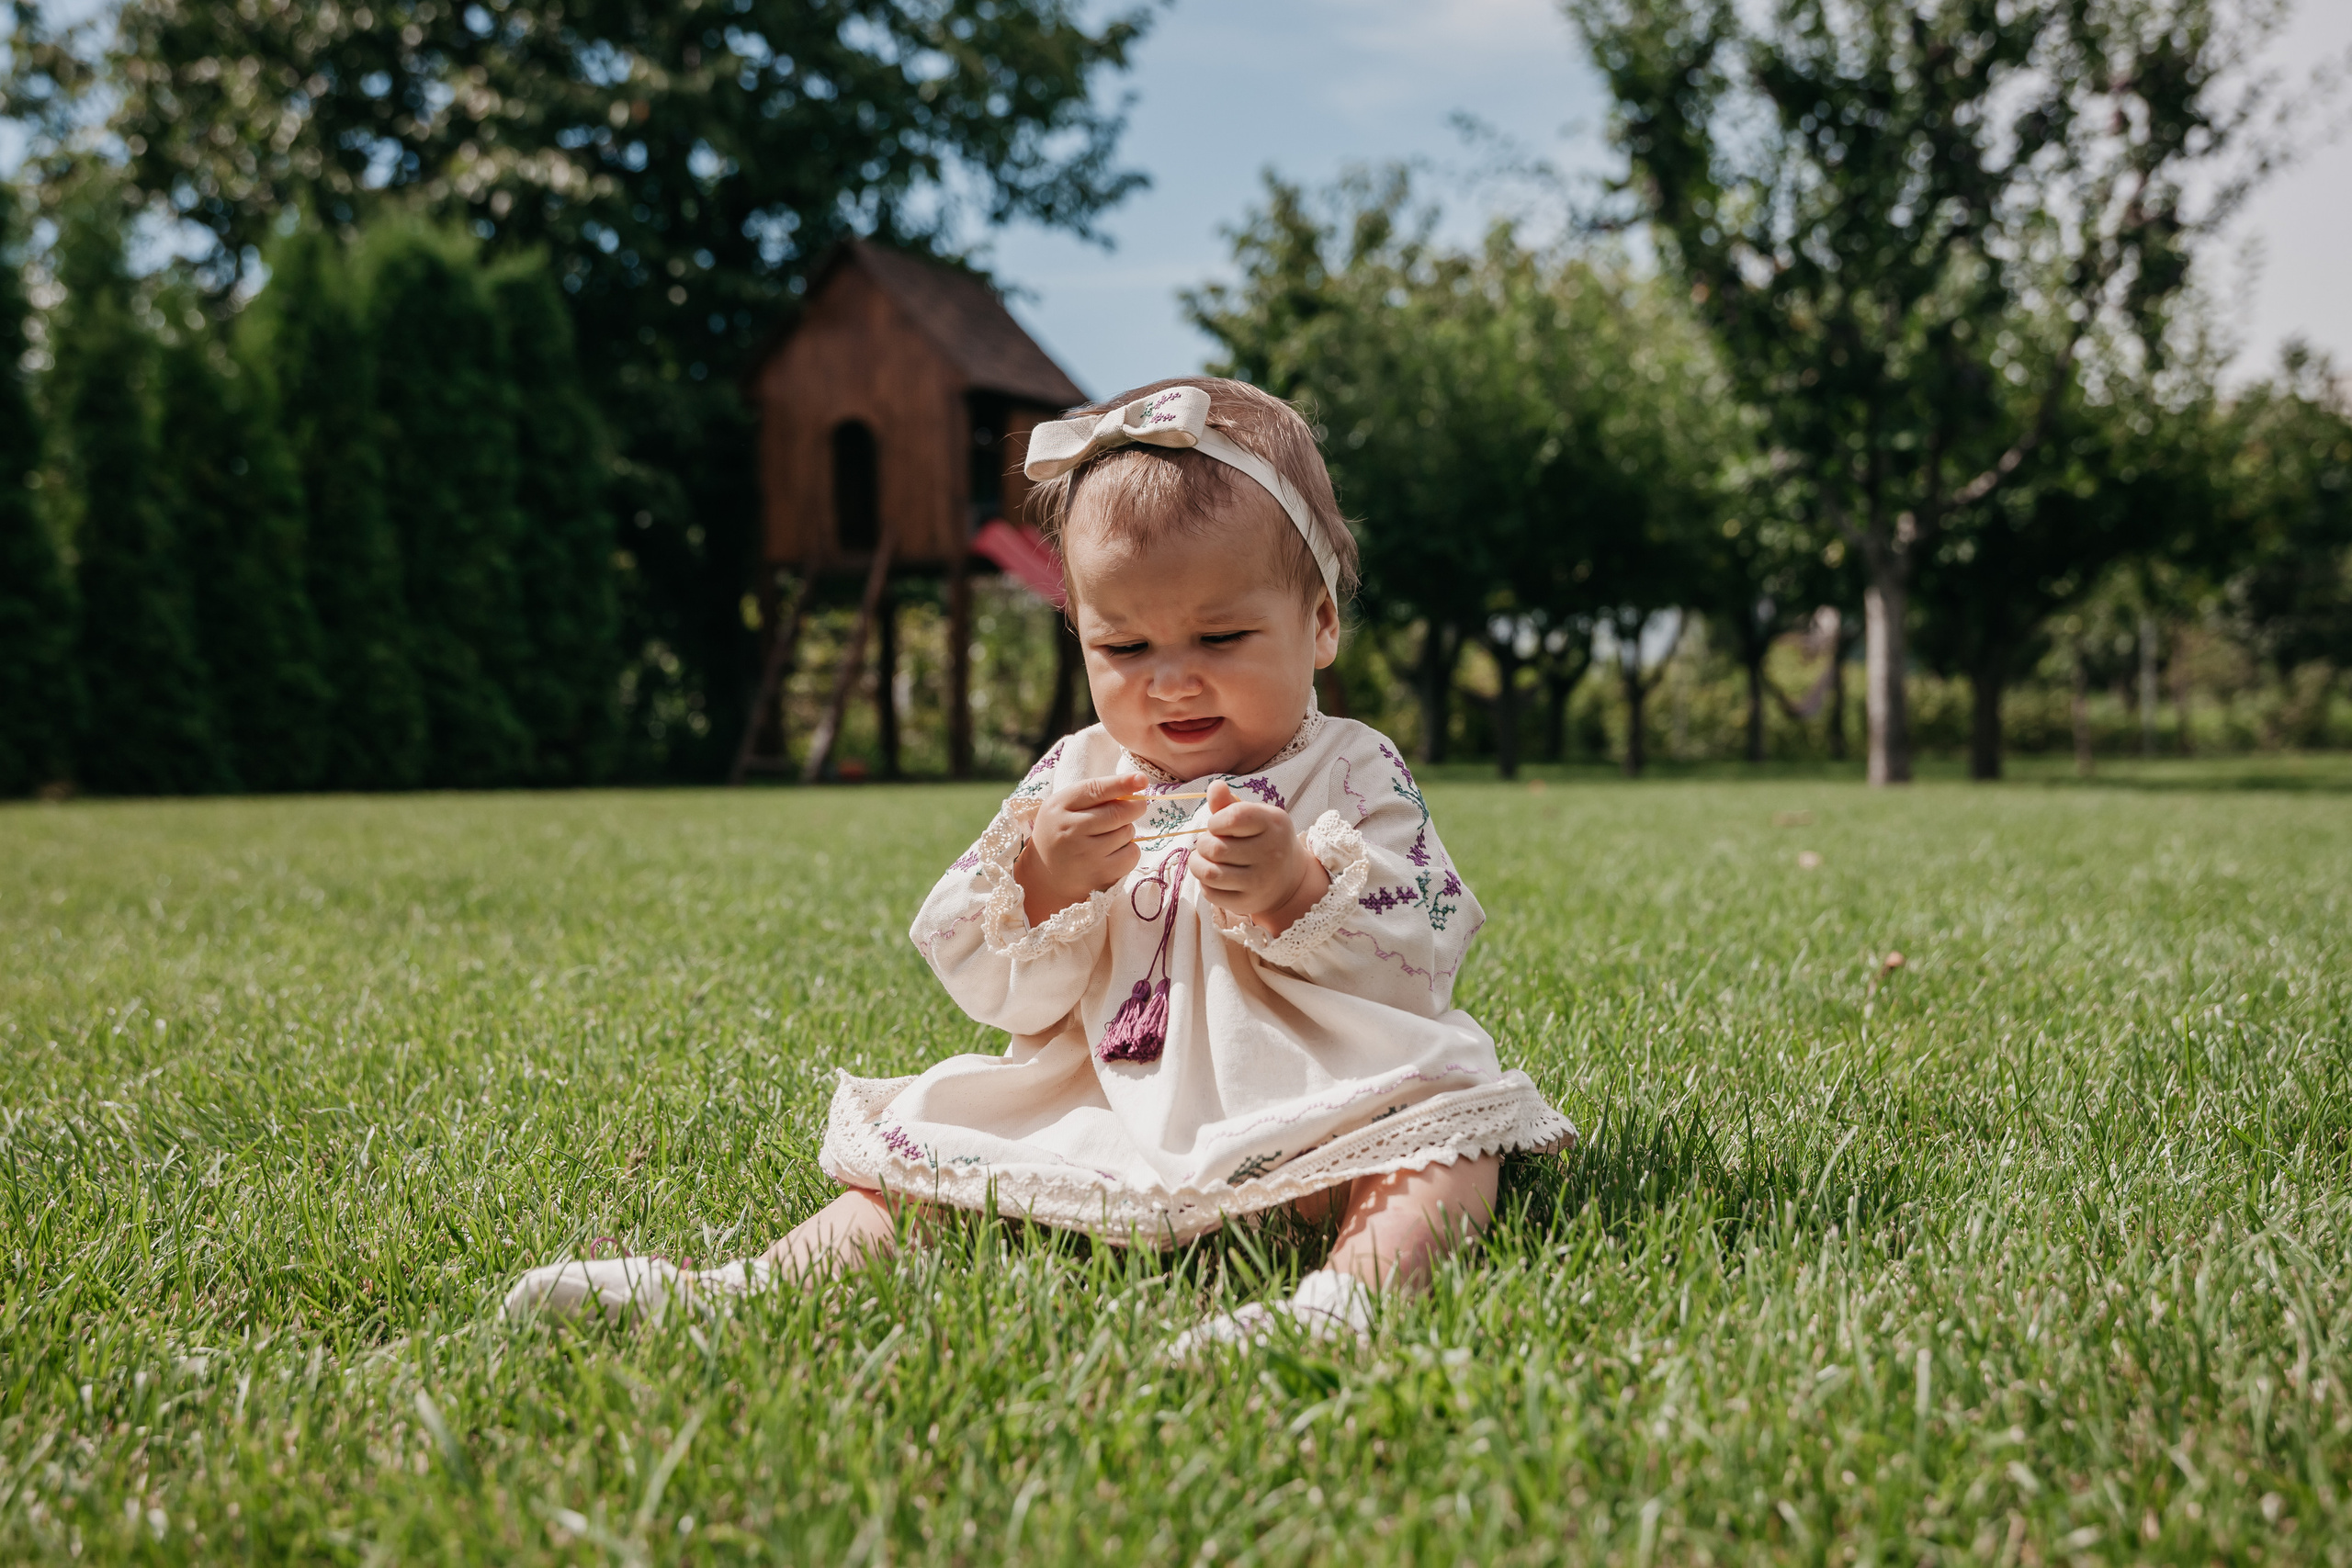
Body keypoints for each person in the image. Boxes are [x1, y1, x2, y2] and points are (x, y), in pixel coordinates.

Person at [503, 378, 1574, 1346]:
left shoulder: (1348, 766)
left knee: (1443, 1142)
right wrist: (1046, 880)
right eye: (1124, 647)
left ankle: (1346, 1304)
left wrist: (1298, 888)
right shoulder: (1075, 773)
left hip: (1318, 1103)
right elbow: (981, 968)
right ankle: (746, 1289)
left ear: (1321, 623)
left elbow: (1424, 943)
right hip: (1101, 1106)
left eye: (1220, 639)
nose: (1171, 682)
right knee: (923, 1177)